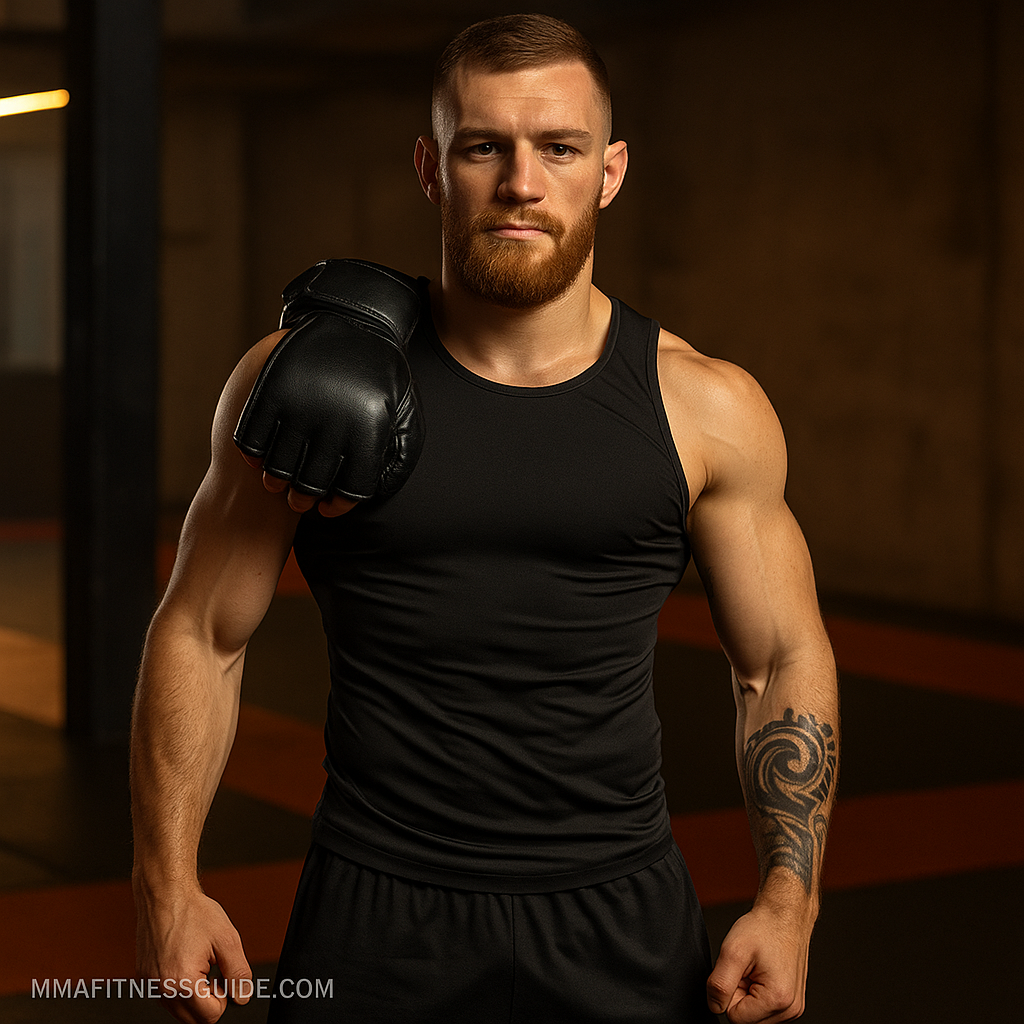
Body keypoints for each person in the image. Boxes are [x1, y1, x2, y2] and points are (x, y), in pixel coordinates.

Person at [131, 13, 839, 1024]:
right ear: (430, 167)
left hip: (621, 915)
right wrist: (165, 885)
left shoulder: (705, 408)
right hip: (376, 914)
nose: (521, 181)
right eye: (483, 147)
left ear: (610, 171)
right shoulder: (297, 389)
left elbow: (778, 659)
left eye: (559, 148)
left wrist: (790, 897)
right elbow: (200, 632)